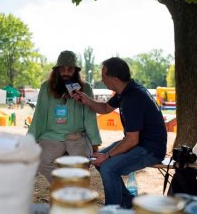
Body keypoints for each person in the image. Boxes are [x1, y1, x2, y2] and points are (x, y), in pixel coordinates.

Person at [72, 57, 167, 208]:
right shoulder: (125, 90)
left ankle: (112, 209)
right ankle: (127, 202)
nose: (102, 79)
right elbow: (104, 109)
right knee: (98, 161)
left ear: (115, 79)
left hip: (150, 149)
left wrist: (107, 156)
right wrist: (85, 99)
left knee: (108, 167)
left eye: (104, 76)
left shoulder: (132, 98)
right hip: (139, 143)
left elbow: (132, 140)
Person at [27, 50, 102, 183]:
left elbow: (90, 116)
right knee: (41, 161)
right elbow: (40, 114)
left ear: (75, 71)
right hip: (51, 135)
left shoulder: (86, 88)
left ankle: (75, 190)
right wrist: (31, 140)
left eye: (70, 69)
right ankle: (61, 187)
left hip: (77, 135)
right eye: (62, 69)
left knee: (82, 163)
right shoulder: (46, 87)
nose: (66, 72)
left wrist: (95, 142)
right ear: (57, 70)